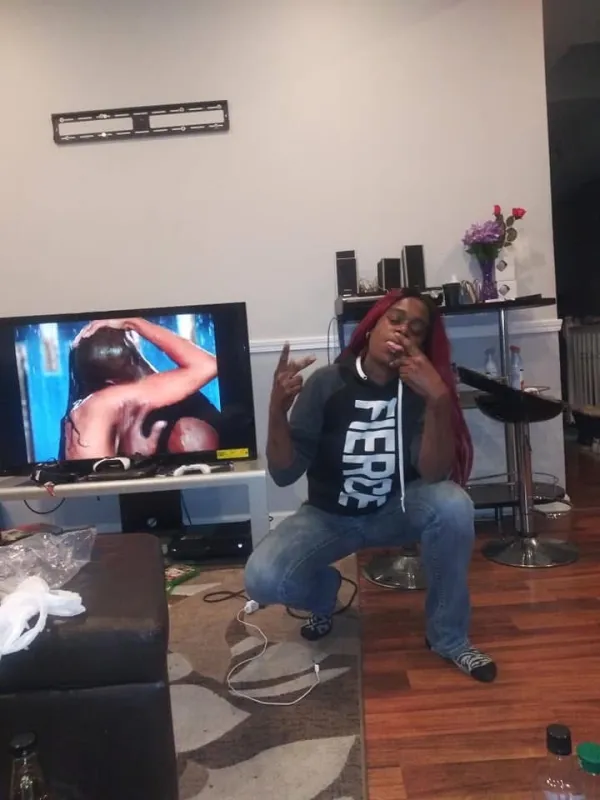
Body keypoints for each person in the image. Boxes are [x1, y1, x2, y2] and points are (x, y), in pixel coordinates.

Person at [244, 289, 497, 683]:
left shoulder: (420, 390)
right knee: (261, 579)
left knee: (454, 504)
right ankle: (325, 594)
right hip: (329, 517)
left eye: (416, 329)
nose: (403, 331)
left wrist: (438, 401)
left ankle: (448, 637)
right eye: (395, 320)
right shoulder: (327, 383)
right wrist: (276, 409)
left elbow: (433, 474)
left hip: (396, 510)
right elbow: (284, 472)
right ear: (372, 326)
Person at [62, 317, 220, 460]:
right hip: (131, 474)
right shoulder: (103, 405)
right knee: (193, 436)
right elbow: (208, 366)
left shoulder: (92, 403)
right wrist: (134, 322)